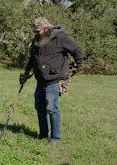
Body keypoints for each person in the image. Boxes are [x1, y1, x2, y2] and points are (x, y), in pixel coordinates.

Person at [20, 17, 84, 146]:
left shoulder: (60, 38)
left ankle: (55, 139)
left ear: (46, 28)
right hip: (40, 81)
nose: (35, 34)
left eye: (37, 31)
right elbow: (33, 58)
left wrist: (78, 65)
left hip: (55, 80)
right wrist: (26, 72)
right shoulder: (36, 40)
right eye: (34, 32)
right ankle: (43, 134)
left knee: (52, 109)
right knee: (40, 108)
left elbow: (77, 49)